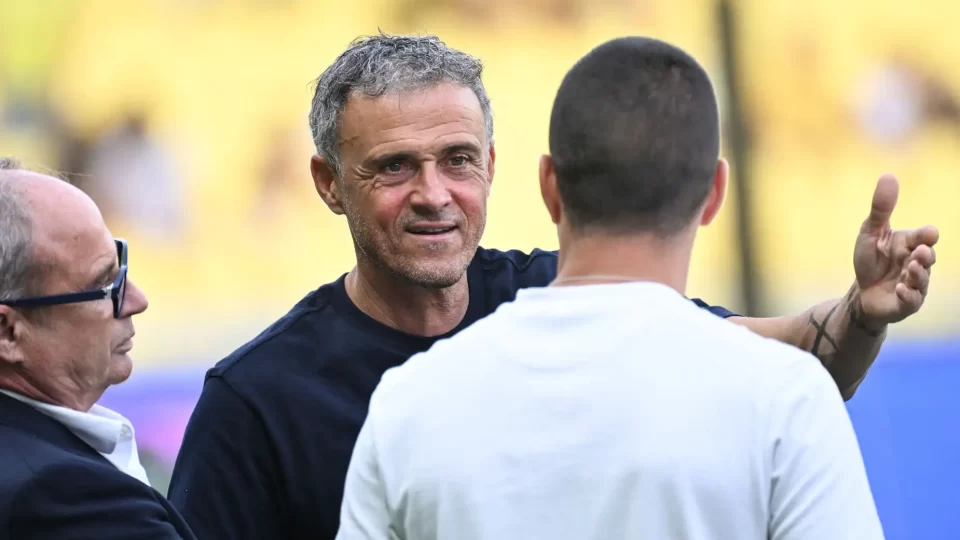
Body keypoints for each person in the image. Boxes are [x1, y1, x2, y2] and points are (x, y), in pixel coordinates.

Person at [168, 33, 937, 540]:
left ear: (498, 169)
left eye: (457, 160)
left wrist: (862, 312)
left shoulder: (556, 293)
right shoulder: (256, 402)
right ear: (328, 182)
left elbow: (772, 358)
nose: (433, 194)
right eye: (394, 167)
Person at [0, 157, 196, 540]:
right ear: (8, 333)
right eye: (104, 285)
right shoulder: (64, 495)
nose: (137, 300)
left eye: (120, 268)